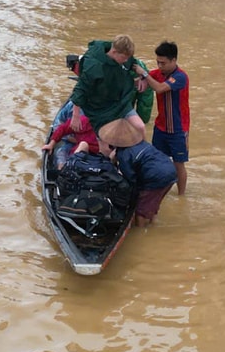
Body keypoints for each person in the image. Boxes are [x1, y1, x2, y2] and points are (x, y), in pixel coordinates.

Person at [69, 34, 146, 149]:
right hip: (99, 108)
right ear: (114, 52)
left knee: (140, 127)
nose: (126, 61)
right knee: (104, 144)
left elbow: (133, 64)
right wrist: (75, 116)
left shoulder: (124, 57)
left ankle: (143, 152)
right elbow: (80, 89)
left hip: (120, 101)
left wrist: (143, 76)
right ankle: (108, 161)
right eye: (124, 58)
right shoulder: (94, 66)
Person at [133, 41, 190, 195]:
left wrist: (143, 73)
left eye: (163, 63)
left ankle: (181, 195)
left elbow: (159, 88)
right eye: (157, 62)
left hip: (178, 129)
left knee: (179, 165)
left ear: (174, 60)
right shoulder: (156, 74)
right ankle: (158, 193)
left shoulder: (180, 77)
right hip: (160, 128)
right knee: (158, 163)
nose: (160, 66)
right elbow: (140, 82)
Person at [111, 138, 177, 227]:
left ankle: (140, 232)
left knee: (140, 211)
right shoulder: (140, 143)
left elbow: (131, 179)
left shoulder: (123, 154)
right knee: (153, 202)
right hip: (171, 171)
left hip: (156, 177)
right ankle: (153, 224)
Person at [43, 102, 99, 169]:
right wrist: (51, 144)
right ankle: (63, 170)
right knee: (60, 154)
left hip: (96, 153)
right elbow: (61, 128)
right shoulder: (83, 120)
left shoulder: (106, 121)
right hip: (73, 143)